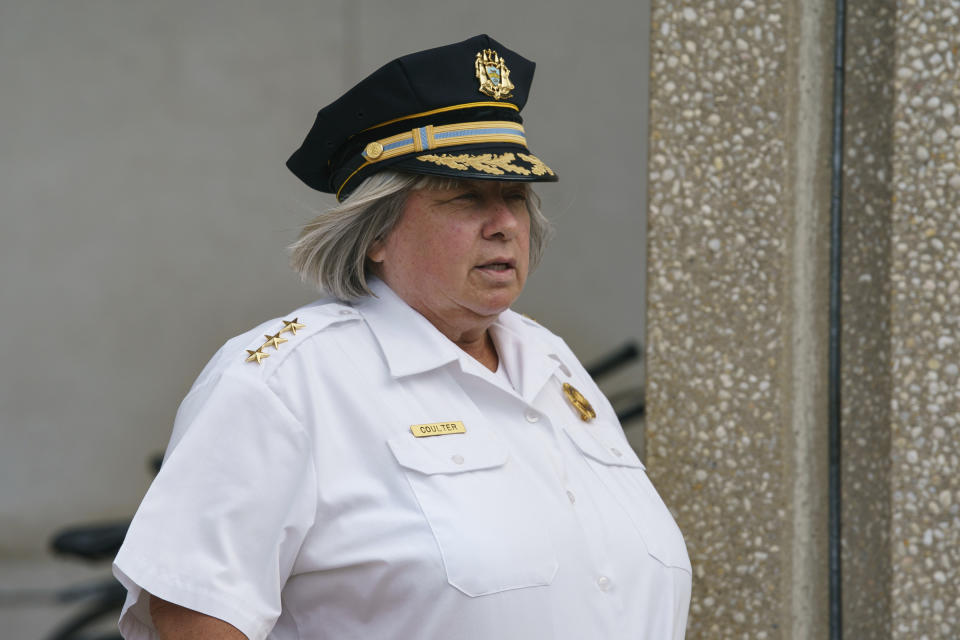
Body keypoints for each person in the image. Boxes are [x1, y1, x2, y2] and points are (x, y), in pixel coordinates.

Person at [113, 34, 691, 640]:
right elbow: (195, 609)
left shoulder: (552, 362)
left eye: (515, 197)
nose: (503, 225)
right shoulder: (285, 381)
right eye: (466, 197)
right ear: (377, 233)